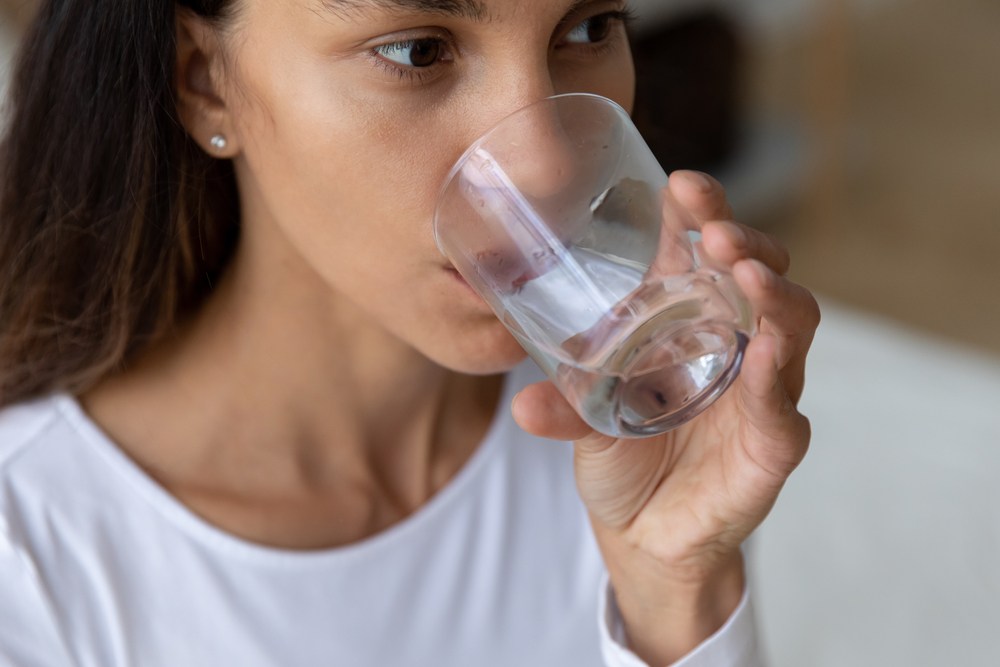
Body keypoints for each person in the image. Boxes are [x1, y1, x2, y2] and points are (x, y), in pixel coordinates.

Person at [0, 0, 819, 665]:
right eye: (419, 52)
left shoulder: (622, 445)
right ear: (205, 81)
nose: (547, 167)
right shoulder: (30, 569)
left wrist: (680, 596)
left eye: (587, 28)